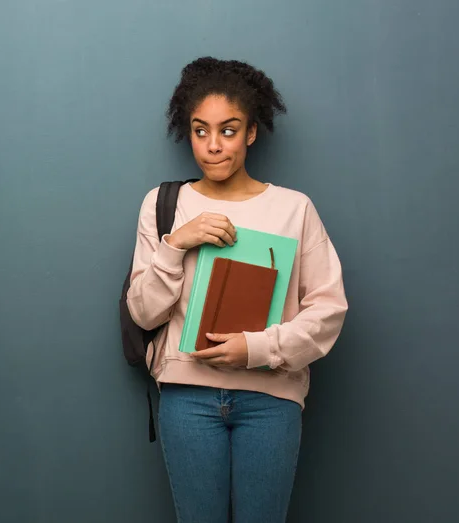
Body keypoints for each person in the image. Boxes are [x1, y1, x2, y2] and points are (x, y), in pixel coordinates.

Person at [126, 57, 348, 523]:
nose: (212, 146)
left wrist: (257, 347)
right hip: (186, 398)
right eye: (199, 130)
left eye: (228, 130)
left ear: (250, 132)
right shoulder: (165, 204)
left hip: (271, 400)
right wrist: (176, 244)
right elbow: (144, 315)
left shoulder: (294, 209)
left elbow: (328, 309)